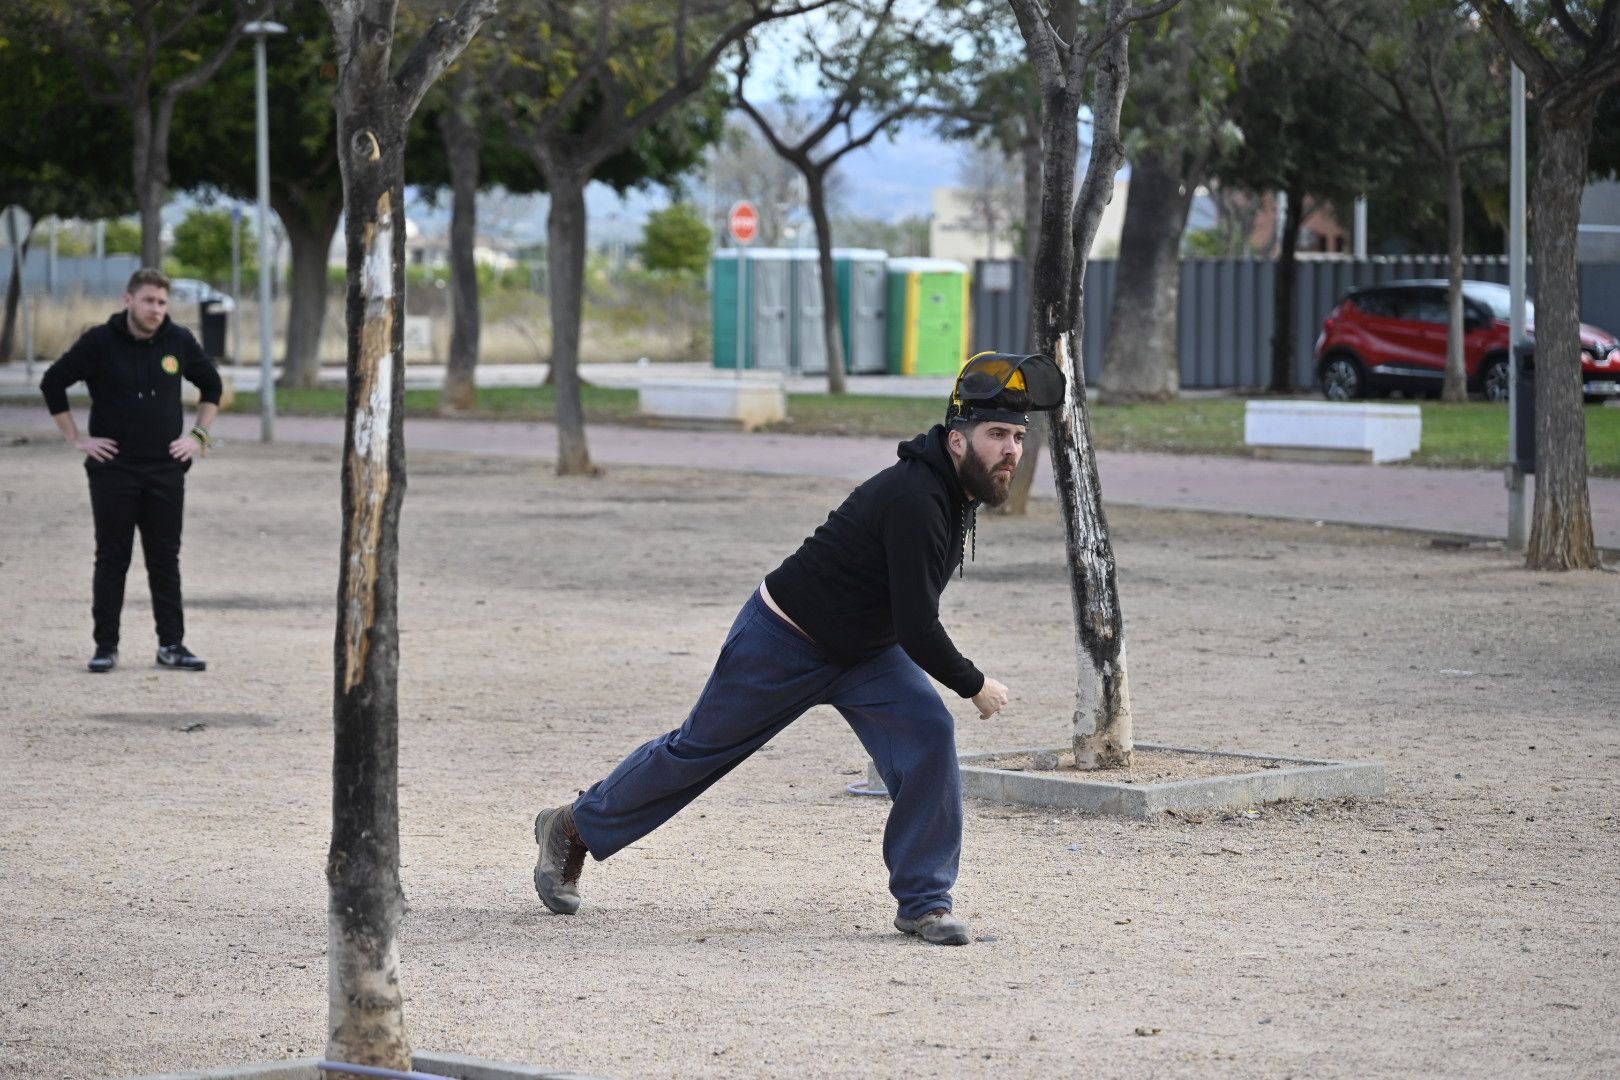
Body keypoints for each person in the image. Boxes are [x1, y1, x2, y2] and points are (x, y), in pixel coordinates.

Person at [532, 351, 1066, 946]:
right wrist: (973, 683)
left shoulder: (953, 489)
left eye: (1018, 437)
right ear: (958, 439)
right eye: (997, 435)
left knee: (927, 735)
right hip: (786, 638)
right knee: (696, 753)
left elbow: (902, 617)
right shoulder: (916, 496)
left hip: (865, 651)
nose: (1012, 451)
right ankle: (571, 828)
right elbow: (919, 626)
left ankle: (925, 903)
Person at [40, 267, 222, 674]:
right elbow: (53, 383)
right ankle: (106, 646)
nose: (156, 309)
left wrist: (197, 437)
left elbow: (212, 386)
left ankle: (171, 645)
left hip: (165, 468)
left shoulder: (179, 341)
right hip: (113, 470)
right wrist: (77, 439)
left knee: (165, 558)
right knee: (112, 557)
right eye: (149, 301)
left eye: (162, 302)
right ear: (128, 300)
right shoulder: (99, 342)